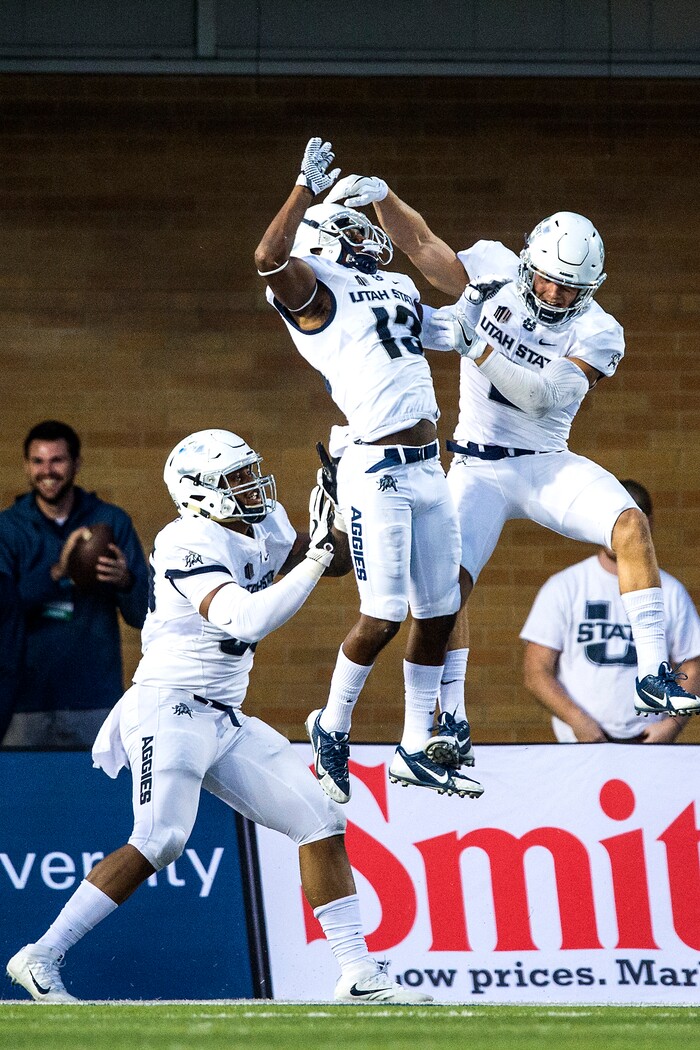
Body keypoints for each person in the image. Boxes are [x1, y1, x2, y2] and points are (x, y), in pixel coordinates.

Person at [6, 428, 431, 1006]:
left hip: (224, 715)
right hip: (168, 703)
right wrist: (313, 560)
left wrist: (346, 517)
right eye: (236, 479)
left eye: (250, 472)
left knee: (321, 818)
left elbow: (319, 558)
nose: (253, 486)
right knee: (161, 839)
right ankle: (40, 956)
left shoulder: (263, 518)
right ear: (198, 494)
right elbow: (247, 619)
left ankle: (357, 973)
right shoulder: (184, 540)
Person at [321, 173, 700, 759]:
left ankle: (653, 673)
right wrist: (383, 198)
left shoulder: (599, 330)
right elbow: (424, 249)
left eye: (568, 290)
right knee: (441, 599)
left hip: (545, 464)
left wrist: (477, 346)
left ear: (591, 289)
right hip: (475, 468)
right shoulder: (495, 267)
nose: (553, 296)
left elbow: (543, 396)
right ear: (526, 265)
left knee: (629, 524)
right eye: (546, 281)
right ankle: (446, 723)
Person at [255, 137, 483, 805]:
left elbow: (447, 299)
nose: (368, 241)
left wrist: (385, 197)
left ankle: (417, 743)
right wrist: (302, 189)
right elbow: (269, 257)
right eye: (353, 229)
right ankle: (332, 725)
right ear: (330, 239)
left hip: (426, 464)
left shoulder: (393, 286)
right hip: (375, 465)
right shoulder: (317, 291)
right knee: (383, 614)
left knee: (439, 609)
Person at [0, 420, 149, 748]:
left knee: (96, 796)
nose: (47, 470)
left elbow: (144, 616)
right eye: (38, 461)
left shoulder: (111, 521)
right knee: (22, 798)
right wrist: (58, 572)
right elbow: (3, 610)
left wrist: (126, 581)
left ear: (76, 463)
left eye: (57, 460)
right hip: (22, 702)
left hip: (94, 700)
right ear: (26, 466)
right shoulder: (7, 528)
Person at [521, 479, 700, 742]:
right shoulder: (564, 586)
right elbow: (536, 672)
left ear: (647, 524)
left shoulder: (671, 591)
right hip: (579, 746)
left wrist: (671, 725)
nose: (618, 530)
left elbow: (692, 667)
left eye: (627, 520)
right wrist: (577, 720)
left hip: (648, 745)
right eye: (610, 520)